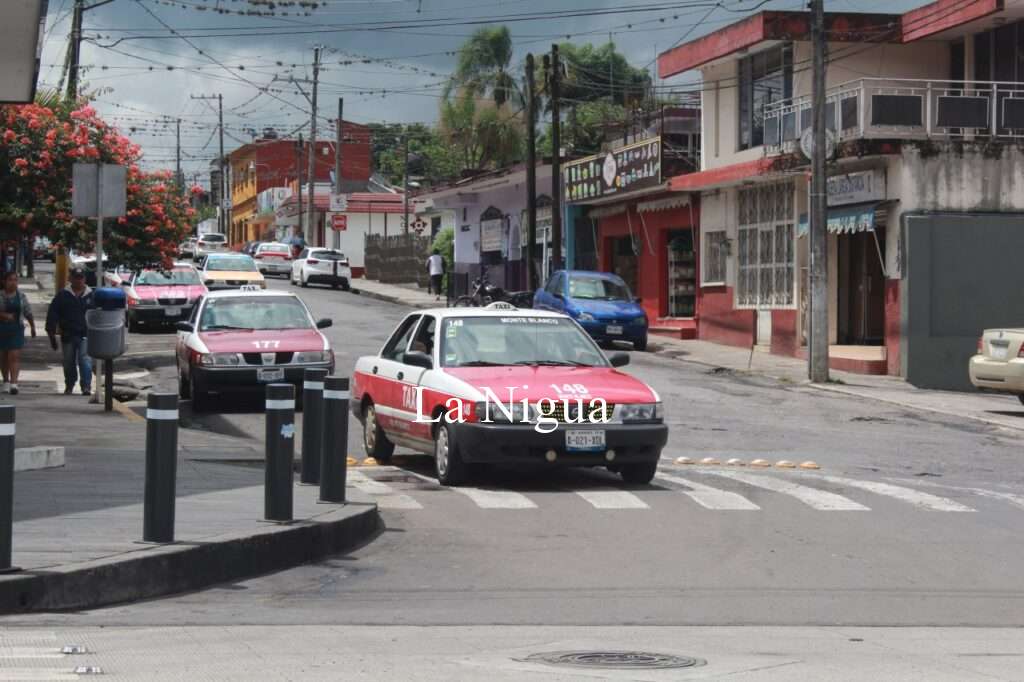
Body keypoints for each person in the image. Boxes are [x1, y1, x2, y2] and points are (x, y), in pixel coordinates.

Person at [45, 267, 93, 396]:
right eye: (76, 278)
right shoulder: (62, 295)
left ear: (84, 279)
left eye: (81, 278)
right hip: (68, 334)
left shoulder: (92, 295)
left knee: (85, 360)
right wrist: (51, 336)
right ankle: (69, 385)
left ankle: (86, 386)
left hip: (86, 334)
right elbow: (52, 315)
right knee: (68, 361)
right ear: (70, 278)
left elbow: (99, 316)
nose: (78, 281)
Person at [0, 271, 37, 395]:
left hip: (17, 329)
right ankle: (5, 381)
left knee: (14, 356)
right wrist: (4, 315)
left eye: (15, 280)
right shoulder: (0, 296)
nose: (13, 283)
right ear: (4, 282)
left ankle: (14, 383)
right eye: (10, 280)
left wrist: (32, 326)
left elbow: (28, 311)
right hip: (2, 329)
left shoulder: (21, 296)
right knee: (4, 356)